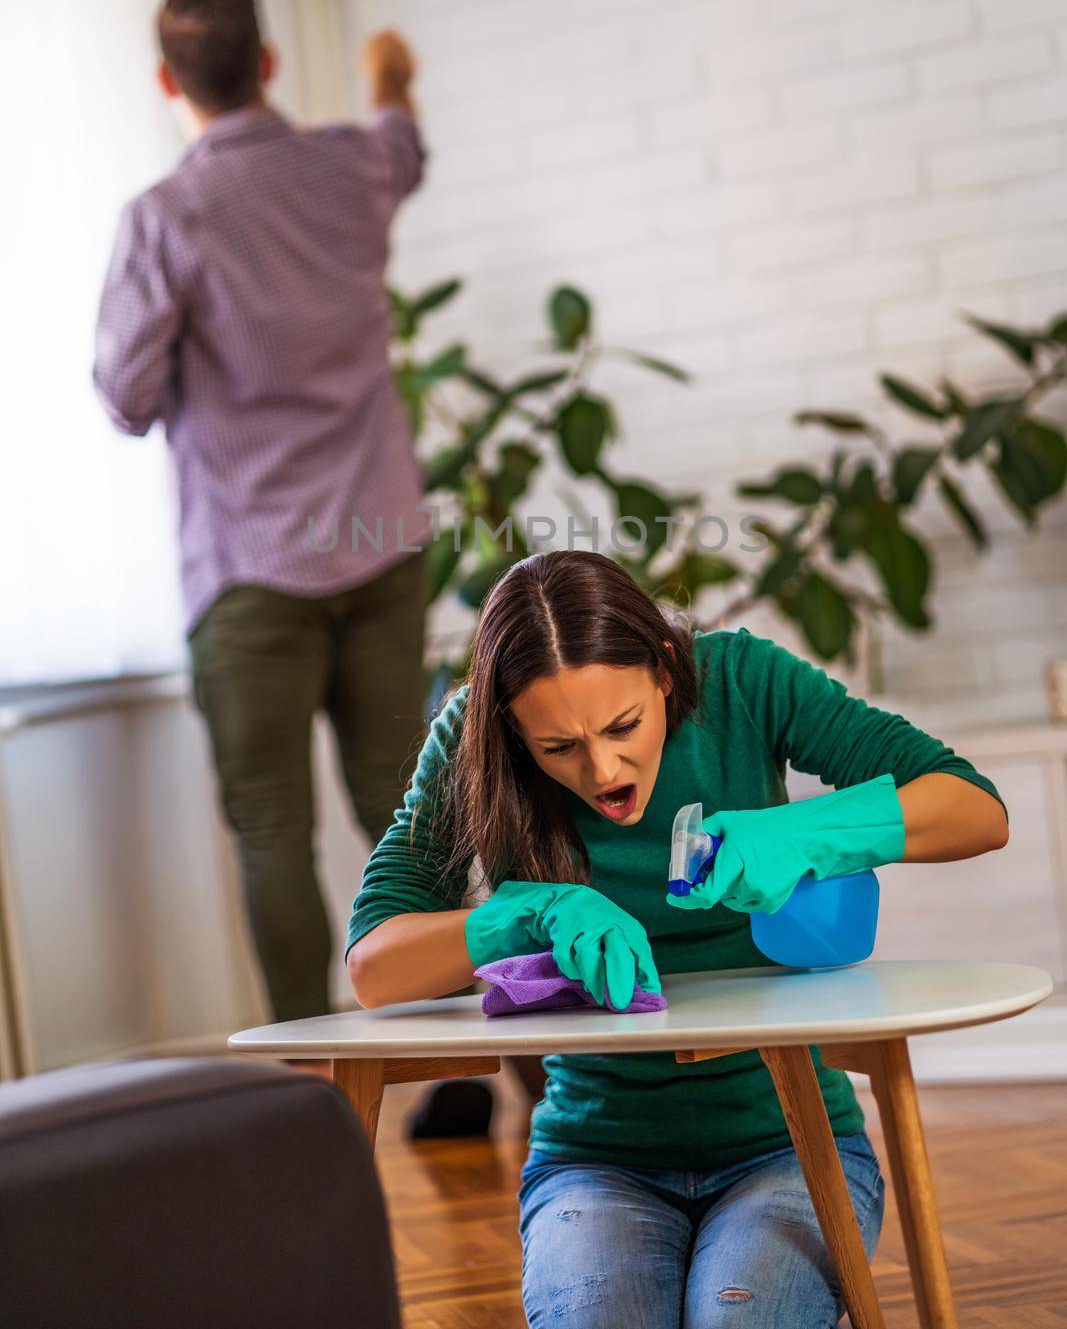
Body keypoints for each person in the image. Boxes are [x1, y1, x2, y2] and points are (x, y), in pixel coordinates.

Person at [345, 549, 1008, 1329]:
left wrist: (799, 832)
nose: (602, 768)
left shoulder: (740, 681)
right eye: (558, 747)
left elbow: (974, 810)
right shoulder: (471, 740)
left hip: (792, 1145)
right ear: (512, 729)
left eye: (623, 726)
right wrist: (523, 914)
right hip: (594, 1160)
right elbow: (374, 968)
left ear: (663, 669)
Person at [93, 0, 432, 1025]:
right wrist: (387, 72)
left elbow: (125, 395)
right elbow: (402, 138)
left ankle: (317, 1096)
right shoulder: (351, 163)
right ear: (269, 60)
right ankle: (475, 1066)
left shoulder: (166, 216)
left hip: (248, 570)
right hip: (380, 541)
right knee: (406, 815)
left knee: (272, 830)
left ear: (167, 80)